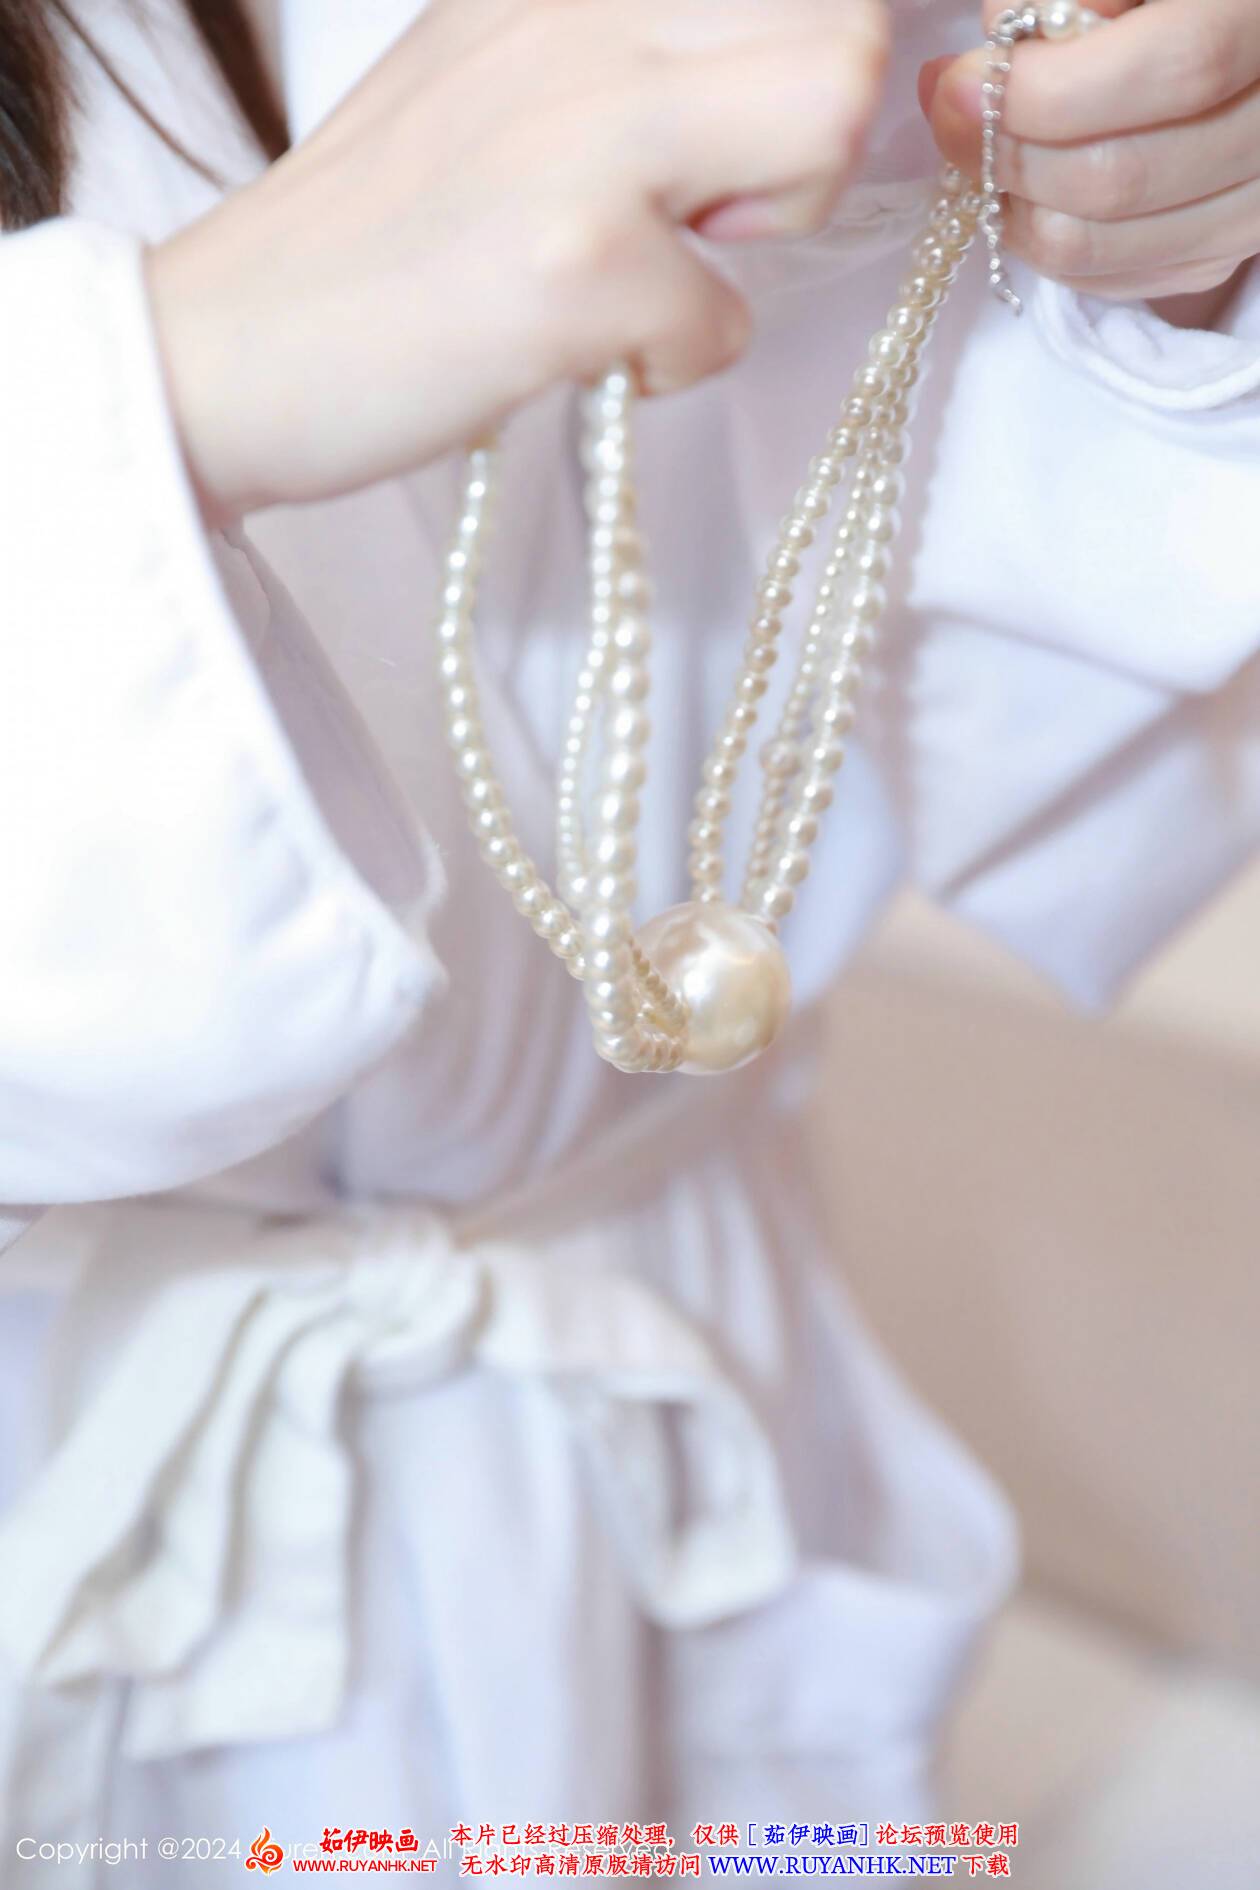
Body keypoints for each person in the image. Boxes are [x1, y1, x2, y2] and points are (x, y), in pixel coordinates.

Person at [1, 0, 1259, 1871]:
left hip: (690, 1401)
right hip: (90, 1482)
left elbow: (974, 691)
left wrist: (1160, 249)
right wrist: (155, 394)